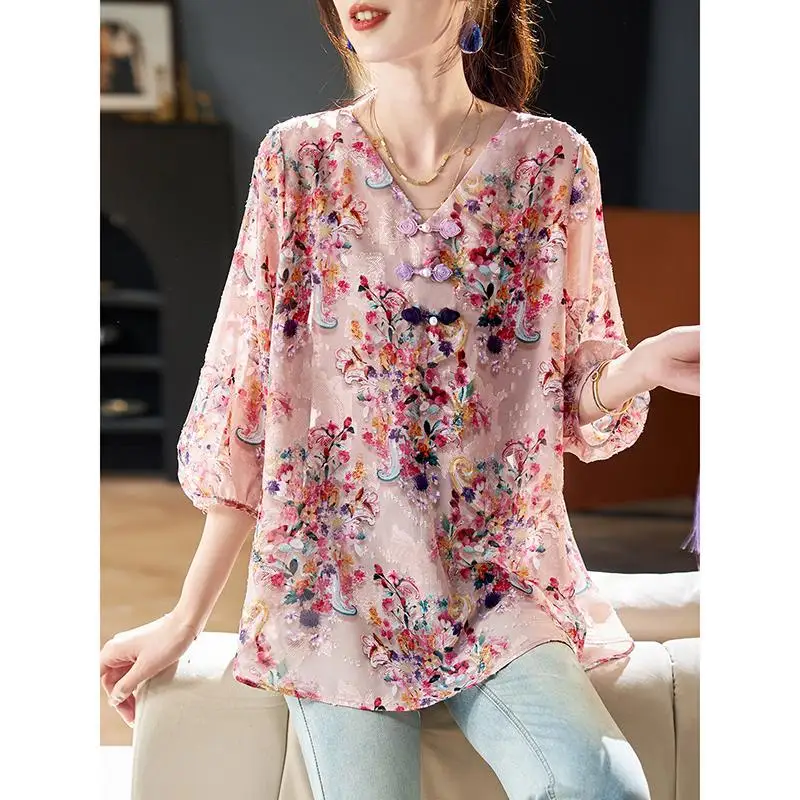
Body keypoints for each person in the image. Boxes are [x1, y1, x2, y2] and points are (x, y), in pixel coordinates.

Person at [100, 2, 700, 798]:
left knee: (602, 787)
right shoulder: (299, 161)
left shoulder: (552, 162)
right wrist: (185, 617)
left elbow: (565, 395)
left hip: (501, 578)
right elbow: (246, 404)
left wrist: (642, 367)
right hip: (334, 585)